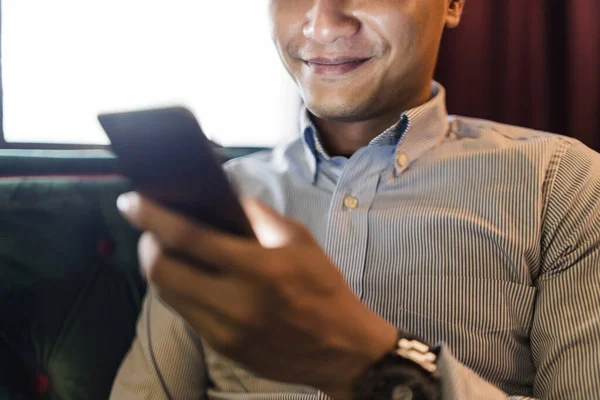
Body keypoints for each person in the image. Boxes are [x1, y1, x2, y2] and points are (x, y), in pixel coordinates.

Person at [109, 0, 600, 399]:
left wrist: (365, 359)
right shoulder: (225, 197)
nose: (323, 25)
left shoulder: (561, 183)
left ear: (452, 4)